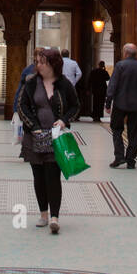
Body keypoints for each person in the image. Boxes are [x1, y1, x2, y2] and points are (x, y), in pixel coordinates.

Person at [18, 47, 80, 234]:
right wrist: (33, 126)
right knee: (39, 177)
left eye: (42, 62)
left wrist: (63, 120)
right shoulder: (31, 82)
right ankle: (43, 214)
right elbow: (22, 106)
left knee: (53, 176)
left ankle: (54, 216)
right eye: (37, 62)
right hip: (35, 137)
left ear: (53, 64)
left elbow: (75, 106)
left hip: (56, 138)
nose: (38, 65)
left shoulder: (64, 84)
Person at [105, 43, 137, 168]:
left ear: (125, 53)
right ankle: (131, 159)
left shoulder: (120, 66)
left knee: (116, 129)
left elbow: (112, 85)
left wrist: (108, 102)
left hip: (120, 104)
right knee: (134, 132)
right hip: (136, 105)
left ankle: (119, 156)